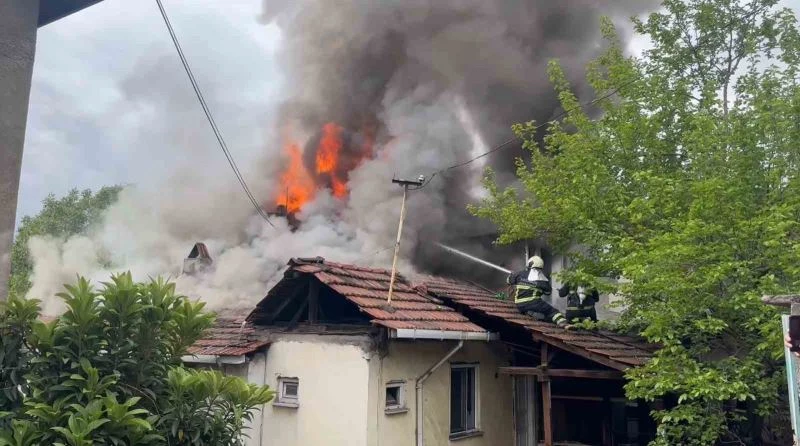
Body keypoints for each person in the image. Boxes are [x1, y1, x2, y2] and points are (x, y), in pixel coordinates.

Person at [507, 256, 570, 328]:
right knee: (552, 311)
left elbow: (509, 281)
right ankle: (563, 323)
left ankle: (531, 315)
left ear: (530, 264)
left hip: (519, 304)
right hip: (534, 303)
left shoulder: (519, 274)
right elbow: (548, 292)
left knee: (540, 310)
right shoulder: (543, 280)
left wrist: (512, 275)